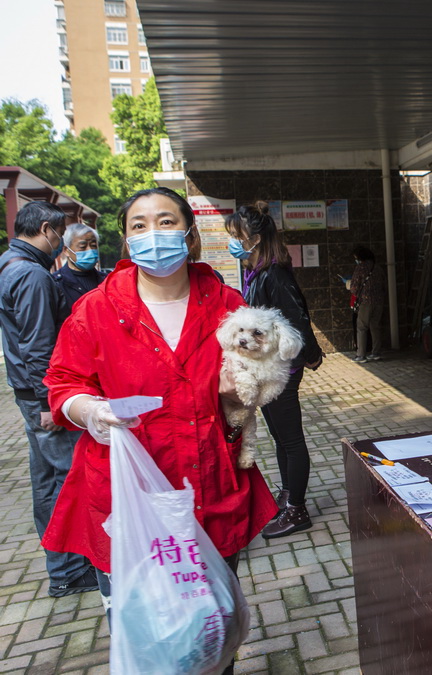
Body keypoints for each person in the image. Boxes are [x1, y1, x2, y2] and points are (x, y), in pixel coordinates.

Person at [42, 188, 278, 621]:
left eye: (166, 221)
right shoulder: (95, 309)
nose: (154, 233)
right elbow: (62, 385)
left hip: (209, 481)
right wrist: (91, 411)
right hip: (128, 490)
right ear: (127, 240)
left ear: (188, 233)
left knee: (211, 628)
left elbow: (260, 374)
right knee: (146, 635)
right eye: (139, 225)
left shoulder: (227, 305)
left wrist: (241, 391)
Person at [0, 201, 97, 597]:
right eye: (60, 234)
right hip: (41, 395)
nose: (61, 242)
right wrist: (50, 404)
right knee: (67, 479)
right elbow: (37, 345)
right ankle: (71, 571)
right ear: (47, 229)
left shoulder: (8, 263)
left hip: (26, 391)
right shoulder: (32, 275)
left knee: (46, 483)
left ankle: (62, 566)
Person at [226, 202, 323, 538]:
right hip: (267, 368)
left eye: (236, 237)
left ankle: (297, 510)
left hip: (282, 370)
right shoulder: (257, 272)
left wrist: (311, 354)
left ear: (253, 237)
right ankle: (288, 495)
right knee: (282, 439)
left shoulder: (274, 273)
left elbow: (298, 318)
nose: (234, 243)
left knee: (291, 439)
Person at [52, 222, 108, 314]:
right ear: (66, 250)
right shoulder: (56, 284)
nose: (90, 250)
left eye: (93, 246)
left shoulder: (107, 281)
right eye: (83, 247)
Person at [347, 245, 386, 362]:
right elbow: (384, 285)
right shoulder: (378, 268)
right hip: (379, 301)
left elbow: (354, 288)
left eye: (356, 258)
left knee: (361, 327)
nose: (356, 260)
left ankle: (361, 355)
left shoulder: (360, 268)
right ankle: (376, 352)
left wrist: (348, 284)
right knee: (375, 326)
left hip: (366, 302)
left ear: (360, 257)